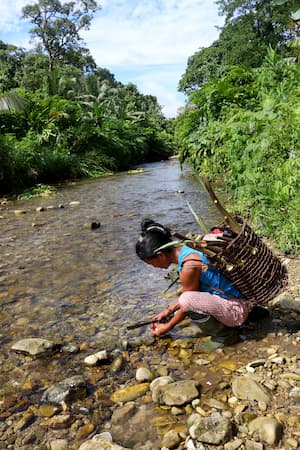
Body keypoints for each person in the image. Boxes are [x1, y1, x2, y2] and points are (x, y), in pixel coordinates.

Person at [136, 218, 252, 338]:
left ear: (160, 255)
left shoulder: (188, 266)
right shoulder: (189, 248)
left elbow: (187, 303)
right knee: (187, 298)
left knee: (187, 299)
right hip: (239, 299)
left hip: (236, 311)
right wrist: (168, 310)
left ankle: (225, 336)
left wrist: (168, 326)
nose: (154, 267)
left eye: (151, 263)